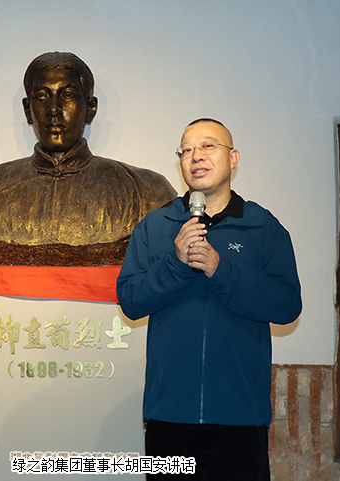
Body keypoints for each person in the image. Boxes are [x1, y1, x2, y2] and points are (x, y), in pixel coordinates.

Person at [116, 119, 302, 480]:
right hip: (169, 415)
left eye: (207, 146)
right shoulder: (155, 226)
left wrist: (222, 270)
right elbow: (131, 300)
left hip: (240, 415)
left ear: (233, 158)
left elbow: (286, 305)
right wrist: (175, 264)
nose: (195, 156)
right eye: (186, 150)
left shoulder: (262, 227)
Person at [0, 52, 176, 266]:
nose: (54, 109)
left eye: (67, 95)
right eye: (42, 96)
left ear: (90, 108)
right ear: (28, 110)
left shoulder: (144, 189)